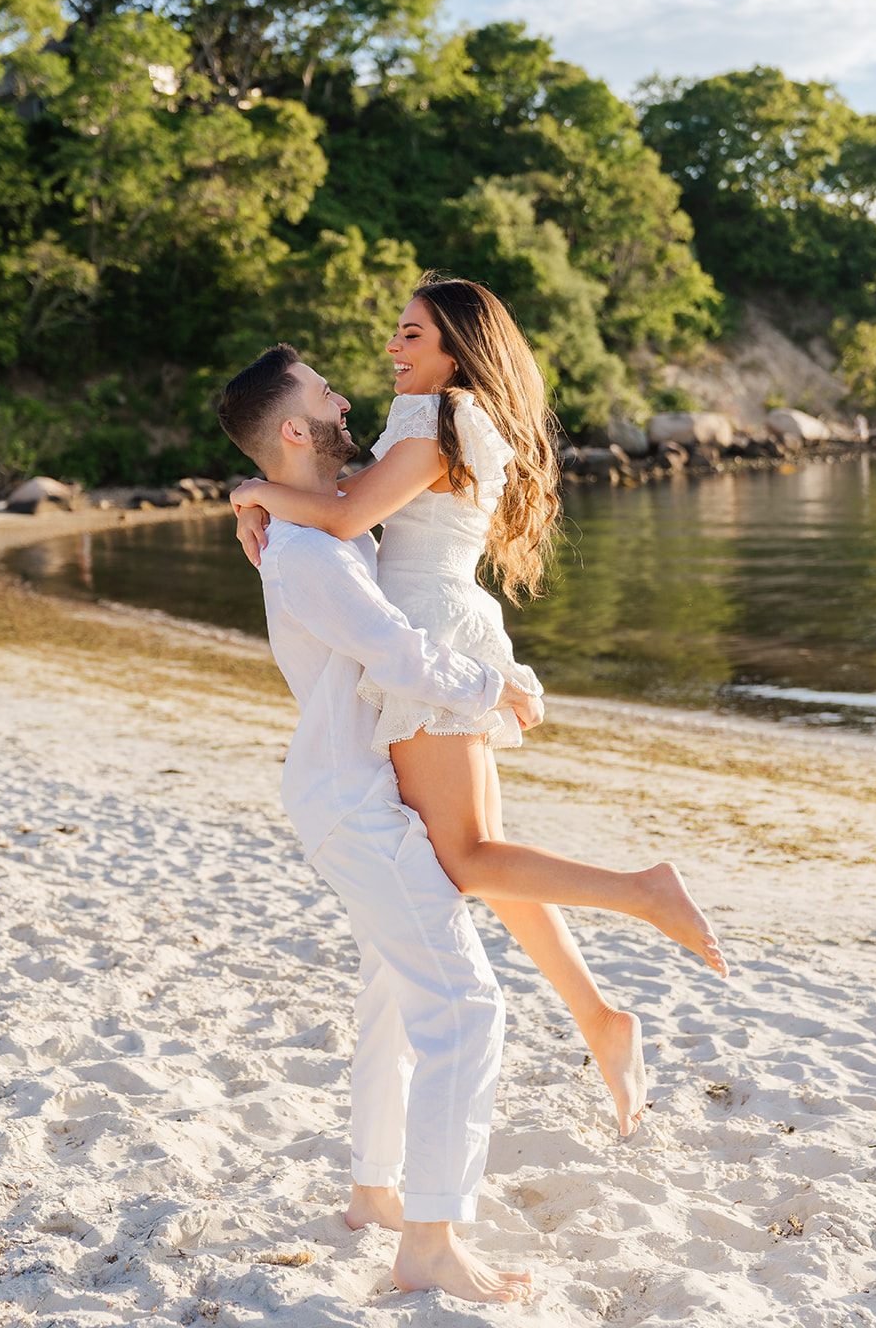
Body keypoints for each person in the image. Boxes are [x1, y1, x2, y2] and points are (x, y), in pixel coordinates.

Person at [230, 279, 728, 1139]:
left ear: (456, 349)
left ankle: (642, 892)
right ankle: (597, 1016)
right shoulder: (435, 416)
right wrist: (255, 492)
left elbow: (346, 516)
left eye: (412, 334)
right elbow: (348, 502)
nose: (394, 347)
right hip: (441, 617)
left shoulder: (436, 419)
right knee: (485, 859)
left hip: (426, 629)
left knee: (462, 859)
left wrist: (256, 492)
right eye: (396, 331)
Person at [217, 343, 539, 1304]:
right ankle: (430, 1243)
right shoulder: (313, 550)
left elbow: (362, 496)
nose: (345, 394)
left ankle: (372, 1192)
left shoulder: (316, 523)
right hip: (353, 803)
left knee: (393, 995)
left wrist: (252, 493)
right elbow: (395, 653)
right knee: (466, 1006)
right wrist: (499, 689)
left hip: (360, 793)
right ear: (291, 427)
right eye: (323, 392)